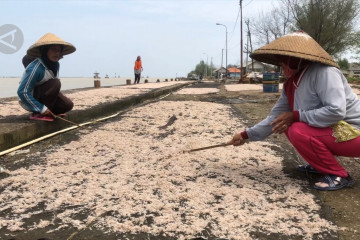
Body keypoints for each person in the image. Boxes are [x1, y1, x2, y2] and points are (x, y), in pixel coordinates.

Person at [228, 32, 360, 191]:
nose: (283, 67)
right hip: (336, 132)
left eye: (285, 63)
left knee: (298, 128)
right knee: (285, 124)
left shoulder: (325, 73)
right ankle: (319, 165)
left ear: (297, 60)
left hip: (354, 131)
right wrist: (245, 135)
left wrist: (296, 115)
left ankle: (339, 175)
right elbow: (276, 118)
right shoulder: (291, 84)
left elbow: (336, 111)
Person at [17, 33, 76, 121]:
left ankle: (49, 111)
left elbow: (53, 88)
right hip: (30, 99)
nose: (57, 53)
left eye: (59, 50)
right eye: (53, 49)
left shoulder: (56, 65)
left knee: (67, 105)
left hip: (46, 95)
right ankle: (38, 113)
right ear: (44, 51)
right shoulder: (36, 68)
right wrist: (41, 109)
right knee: (55, 83)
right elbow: (22, 92)